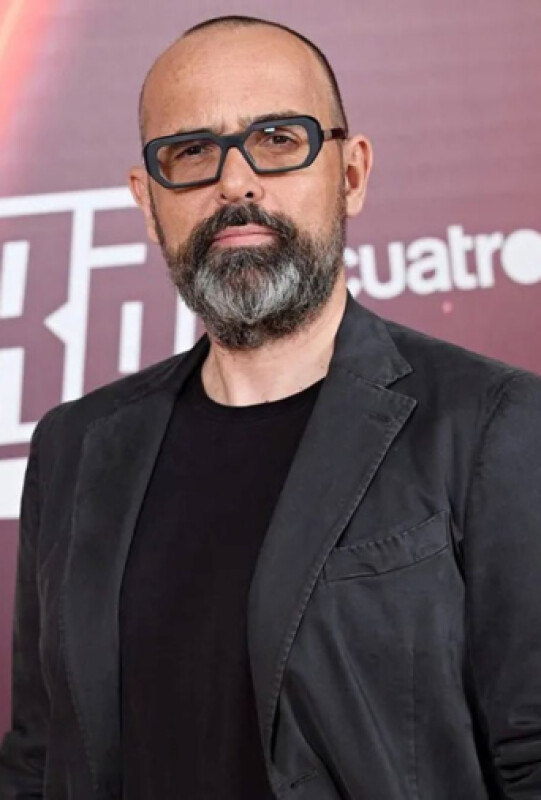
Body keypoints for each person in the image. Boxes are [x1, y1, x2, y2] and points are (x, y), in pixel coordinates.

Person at [1, 13, 541, 800]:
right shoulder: (75, 446)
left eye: (279, 139)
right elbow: (38, 758)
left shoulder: (493, 423)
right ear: (147, 202)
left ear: (350, 174)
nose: (235, 183)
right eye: (191, 152)